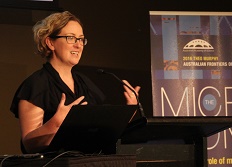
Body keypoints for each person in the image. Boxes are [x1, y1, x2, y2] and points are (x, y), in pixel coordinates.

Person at [10, 11, 141, 154]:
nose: (78, 45)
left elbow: (102, 131)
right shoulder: (36, 85)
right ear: (50, 42)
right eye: (71, 38)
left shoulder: (84, 83)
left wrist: (129, 111)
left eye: (81, 39)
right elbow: (29, 145)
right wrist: (57, 121)